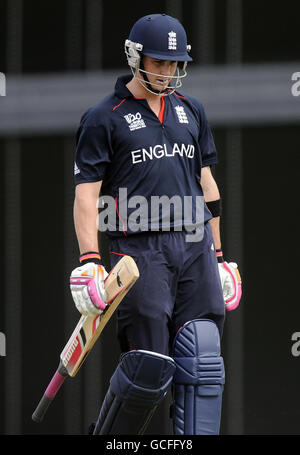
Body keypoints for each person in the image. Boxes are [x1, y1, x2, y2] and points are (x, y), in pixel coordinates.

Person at [70, 13, 242, 435]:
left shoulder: (191, 110)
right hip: (140, 253)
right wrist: (90, 261)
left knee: (202, 361)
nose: (166, 72)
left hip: (196, 246)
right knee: (147, 370)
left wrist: (220, 257)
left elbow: (209, 187)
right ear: (135, 56)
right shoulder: (103, 117)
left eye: (173, 63)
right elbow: (86, 196)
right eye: (158, 62)